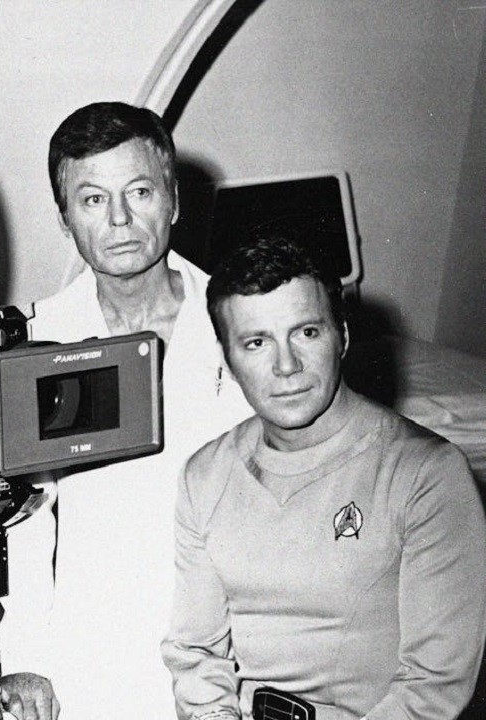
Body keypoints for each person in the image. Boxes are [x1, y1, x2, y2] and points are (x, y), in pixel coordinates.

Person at [162, 235, 486, 720]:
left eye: (307, 333)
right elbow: (196, 655)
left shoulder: (428, 475)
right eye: (256, 342)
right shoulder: (204, 475)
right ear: (227, 360)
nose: (286, 366)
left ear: (343, 336)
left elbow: (432, 688)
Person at [0, 102, 252, 718]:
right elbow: (26, 519)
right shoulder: (35, 341)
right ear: (64, 219)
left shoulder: (241, 327)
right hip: (90, 657)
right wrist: (27, 655)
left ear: (174, 201)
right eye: (92, 200)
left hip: (230, 653)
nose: (119, 219)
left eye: (139, 191)